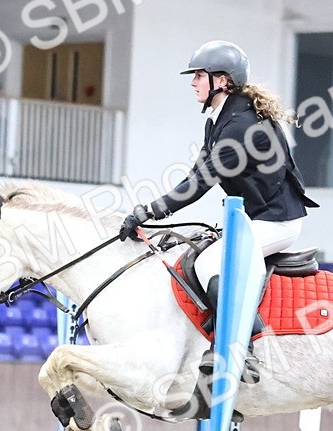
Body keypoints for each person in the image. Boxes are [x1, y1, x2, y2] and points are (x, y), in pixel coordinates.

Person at [119, 40, 317, 382]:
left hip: (278, 221)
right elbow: (194, 175)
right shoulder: (220, 120)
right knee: (198, 252)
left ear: (221, 81)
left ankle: (242, 350)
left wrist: (148, 211)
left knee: (211, 262)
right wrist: (148, 212)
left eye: (199, 76)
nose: (193, 83)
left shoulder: (239, 127)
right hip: (256, 217)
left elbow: (199, 185)